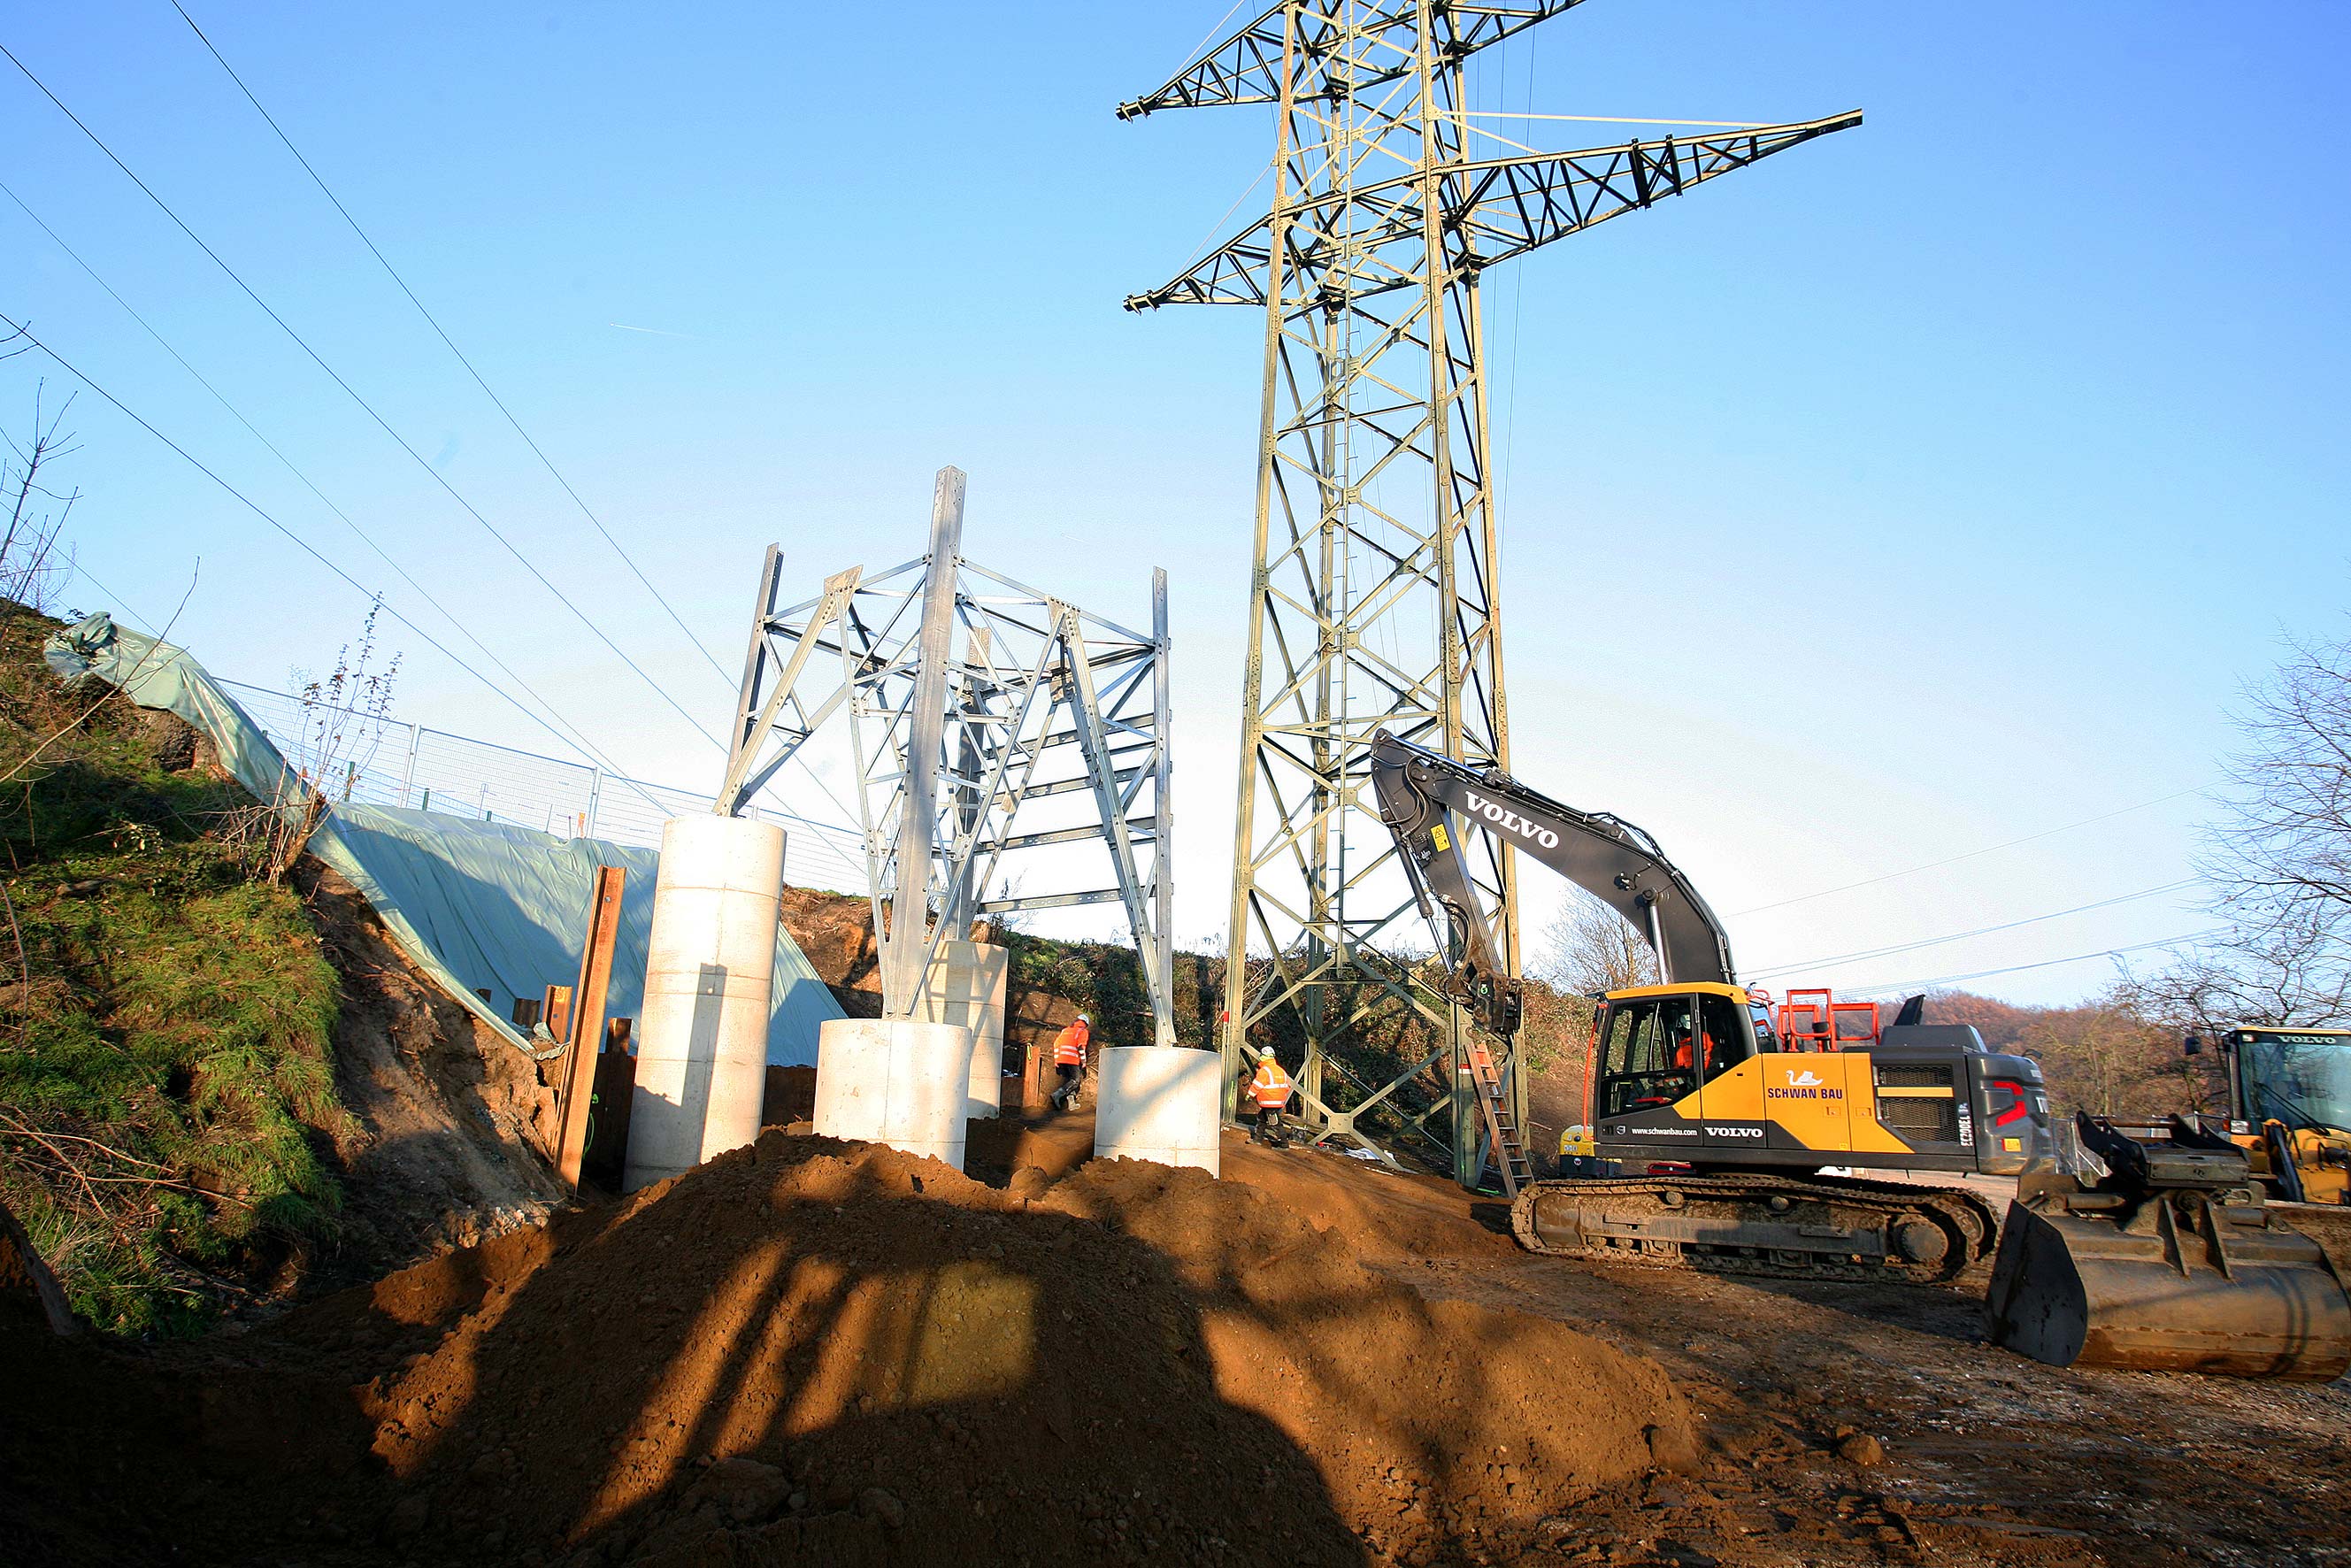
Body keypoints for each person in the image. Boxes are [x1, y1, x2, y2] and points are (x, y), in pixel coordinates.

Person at [1247, 1051, 1295, 1147]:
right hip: (1278, 1101)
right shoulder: (1281, 1071)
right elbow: (1287, 1086)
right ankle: (1257, 1139)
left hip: (1269, 1101)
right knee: (1262, 1119)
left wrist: (1250, 1095)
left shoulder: (1265, 1070)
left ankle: (1284, 1144)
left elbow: (1257, 1085)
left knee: (1275, 1123)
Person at [1049, 1014, 1091, 1111]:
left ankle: (1071, 1104)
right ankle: (1057, 1095)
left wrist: (1056, 1060)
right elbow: (1081, 1047)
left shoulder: (1065, 1030)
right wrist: (1083, 1062)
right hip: (1072, 1059)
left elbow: (1056, 1044)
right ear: (1085, 1024)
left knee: (1070, 1080)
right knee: (1075, 1081)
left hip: (1061, 1060)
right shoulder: (1083, 1031)